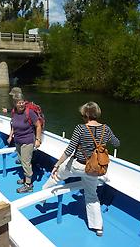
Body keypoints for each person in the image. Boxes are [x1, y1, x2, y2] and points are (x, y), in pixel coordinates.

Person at [42, 101, 120, 236]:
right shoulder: (105, 129)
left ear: (85, 115)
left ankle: (42, 198)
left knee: (57, 176)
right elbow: (116, 143)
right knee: (92, 196)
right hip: (94, 169)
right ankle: (98, 227)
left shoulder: (80, 128)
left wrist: (57, 165)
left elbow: (69, 150)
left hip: (77, 166)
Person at [7, 93, 42, 193]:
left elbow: (38, 125)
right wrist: (10, 135)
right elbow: (13, 124)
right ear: (15, 104)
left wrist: (38, 140)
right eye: (19, 103)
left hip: (27, 141)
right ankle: (26, 179)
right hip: (17, 141)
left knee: (26, 163)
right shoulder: (14, 112)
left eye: (22, 102)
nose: (21, 104)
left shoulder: (29, 112)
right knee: (22, 161)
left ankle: (28, 185)